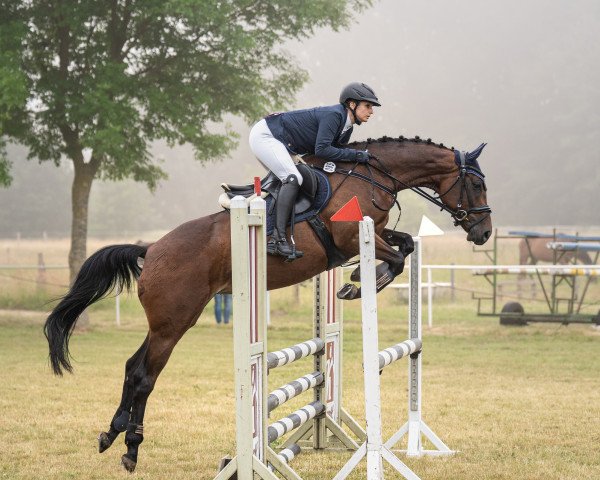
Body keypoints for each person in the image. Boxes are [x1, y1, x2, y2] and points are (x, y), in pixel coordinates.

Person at [249, 82, 381, 261]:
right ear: (352, 104)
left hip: (282, 142)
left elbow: (333, 155)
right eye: (367, 106)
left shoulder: (346, 128)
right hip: (266, 136)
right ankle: (276, 240)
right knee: (293, 178)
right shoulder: (335, 115)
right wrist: (357, 155)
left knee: (300, 178)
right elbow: (322, 150)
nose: (371, 111)